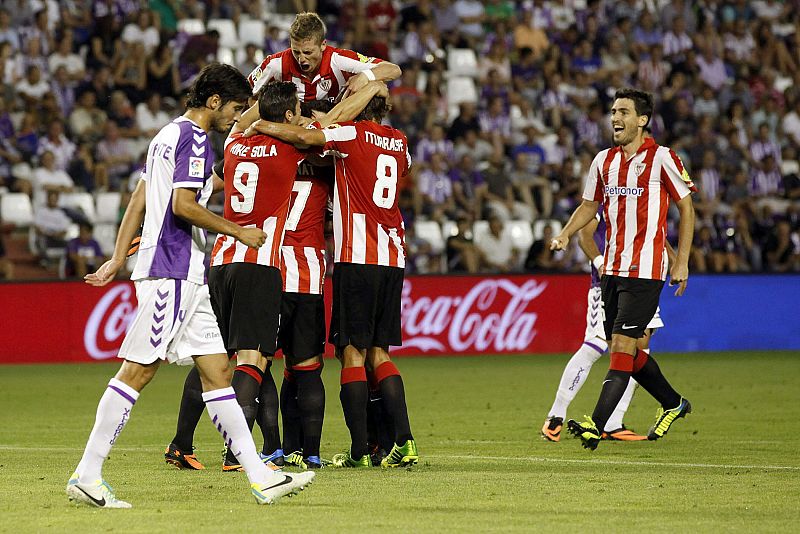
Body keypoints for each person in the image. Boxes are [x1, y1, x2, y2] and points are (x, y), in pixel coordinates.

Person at [65, 64, 314, 508]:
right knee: (138, 371)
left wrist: (119, 258)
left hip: (190, 275)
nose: (235, 117)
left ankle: (260, 476)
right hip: (172, 270)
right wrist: (237, 231)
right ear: (214, 101)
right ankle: (88, 472)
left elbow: (139, 199)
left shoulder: (165, 135)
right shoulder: (194, 139)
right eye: (235, 108)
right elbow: (181, 205)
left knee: (218, 374)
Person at [163, 83, 391, 471]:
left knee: (212, 355)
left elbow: (246, 123)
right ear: (288, 117)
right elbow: (321, 129)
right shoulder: (295, 148)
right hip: (263, 261)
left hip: (220, 261)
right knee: (261, 359)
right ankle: (242, 453)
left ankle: (183, 442)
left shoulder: (234, 142)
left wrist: (261, 112)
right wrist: (365, 87)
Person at [249, 90, 418, 469]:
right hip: (394, 255)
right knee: (380, 352)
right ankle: (402, 442)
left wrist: (260, 123)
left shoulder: (348, 134)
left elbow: (309, 138)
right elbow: (399, 168)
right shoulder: (401, 142)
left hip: (356, 257)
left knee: (351, 353)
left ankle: (359, 450)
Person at [550, 88, 695, 450]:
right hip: (611, 270)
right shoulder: (603, 161)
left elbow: (687, 209)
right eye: (613, 111)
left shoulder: (663, 158)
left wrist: (682, 260)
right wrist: (566, 234)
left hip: (646, 270)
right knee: (624, 347)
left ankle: (595, 424)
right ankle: (673, 402)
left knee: (621, 347)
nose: (615, 118)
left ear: (642, 120)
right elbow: (588, 206)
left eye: (624, 112)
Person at [541, 213, 669, 442]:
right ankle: (555, 416)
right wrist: (600, 264)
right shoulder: (606, 197)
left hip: (641, 281)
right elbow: (585, 236)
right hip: (606, 285)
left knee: (639, 348)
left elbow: (655, 231)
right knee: (595, 346)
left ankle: (613, 423)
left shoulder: (644, 196)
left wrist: (676, 259)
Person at [247, 12, 401, 102]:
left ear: (323, 45)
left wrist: (365, 76)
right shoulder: (275, 64)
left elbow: (393, 69)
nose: (301, 59)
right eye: (296, 52)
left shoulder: (339, 59)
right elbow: (247, 93)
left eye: (308, 52)